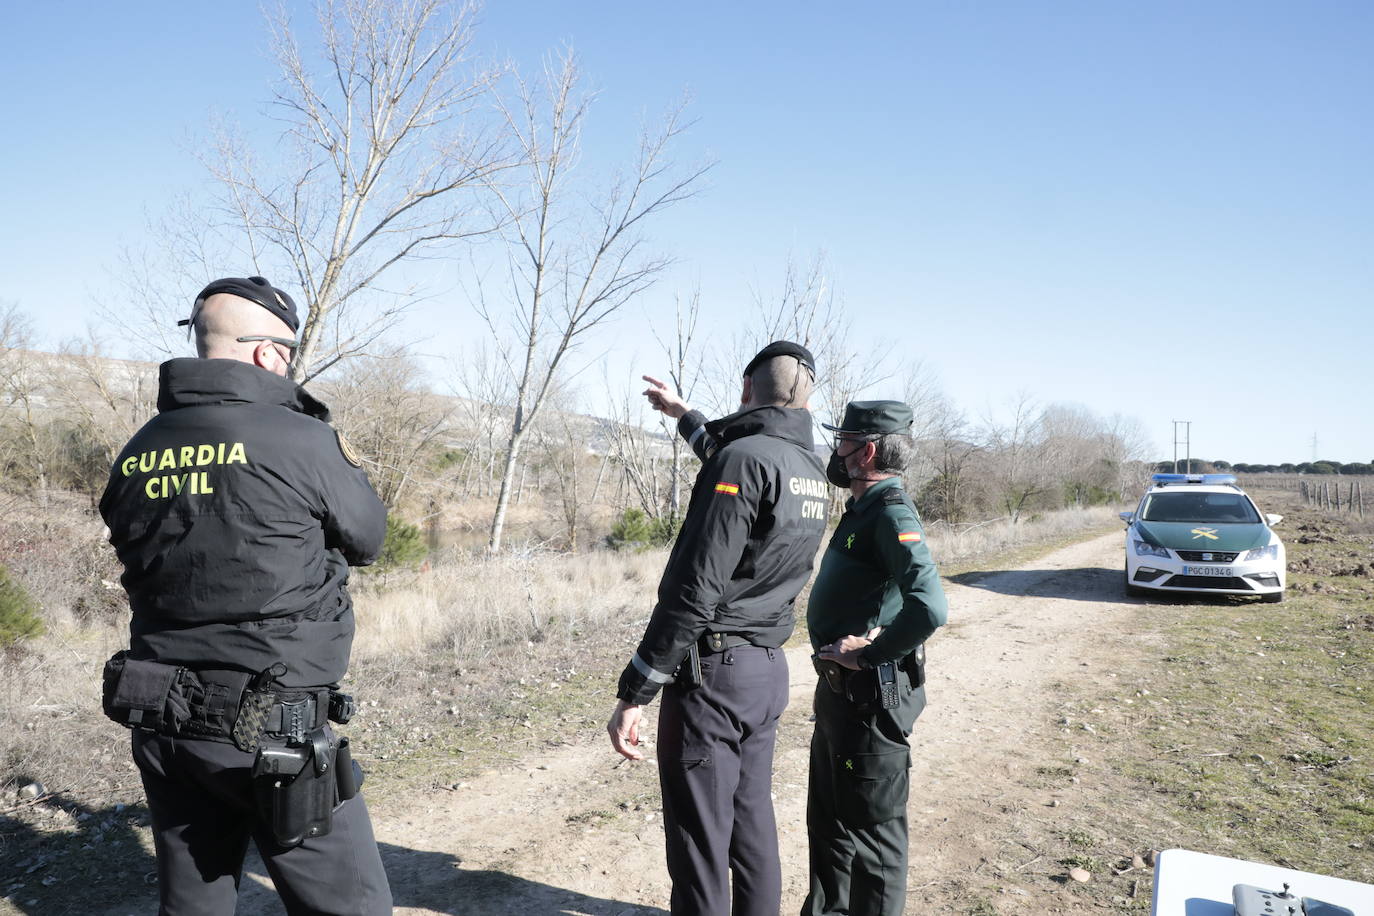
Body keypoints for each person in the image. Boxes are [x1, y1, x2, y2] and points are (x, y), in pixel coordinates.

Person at [98, 276, 393, 915]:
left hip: (164, 720)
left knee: (192, 904)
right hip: (275, 731)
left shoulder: (138, 450)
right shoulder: (301, 440)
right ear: (267, 354)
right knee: (350, 907)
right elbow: (369, 539)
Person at [608, 341, 830, 916]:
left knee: (700, 839)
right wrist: (684, 415)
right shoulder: (808, 469)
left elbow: (694, 588)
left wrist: (637, 690)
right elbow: (732, 455)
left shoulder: (744, 460)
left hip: (715, 680)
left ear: (748, 391)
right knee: (751, 825)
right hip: (767, 672)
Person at [803, 400, 949, 916]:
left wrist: (870, 656)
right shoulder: (863, 510)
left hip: (871, 701)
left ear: (865, 452)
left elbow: (930, 607)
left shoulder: (891, 513)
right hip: (841, 700)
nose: (835, 451)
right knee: (830, 824)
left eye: (843, 442)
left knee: (874, 838)